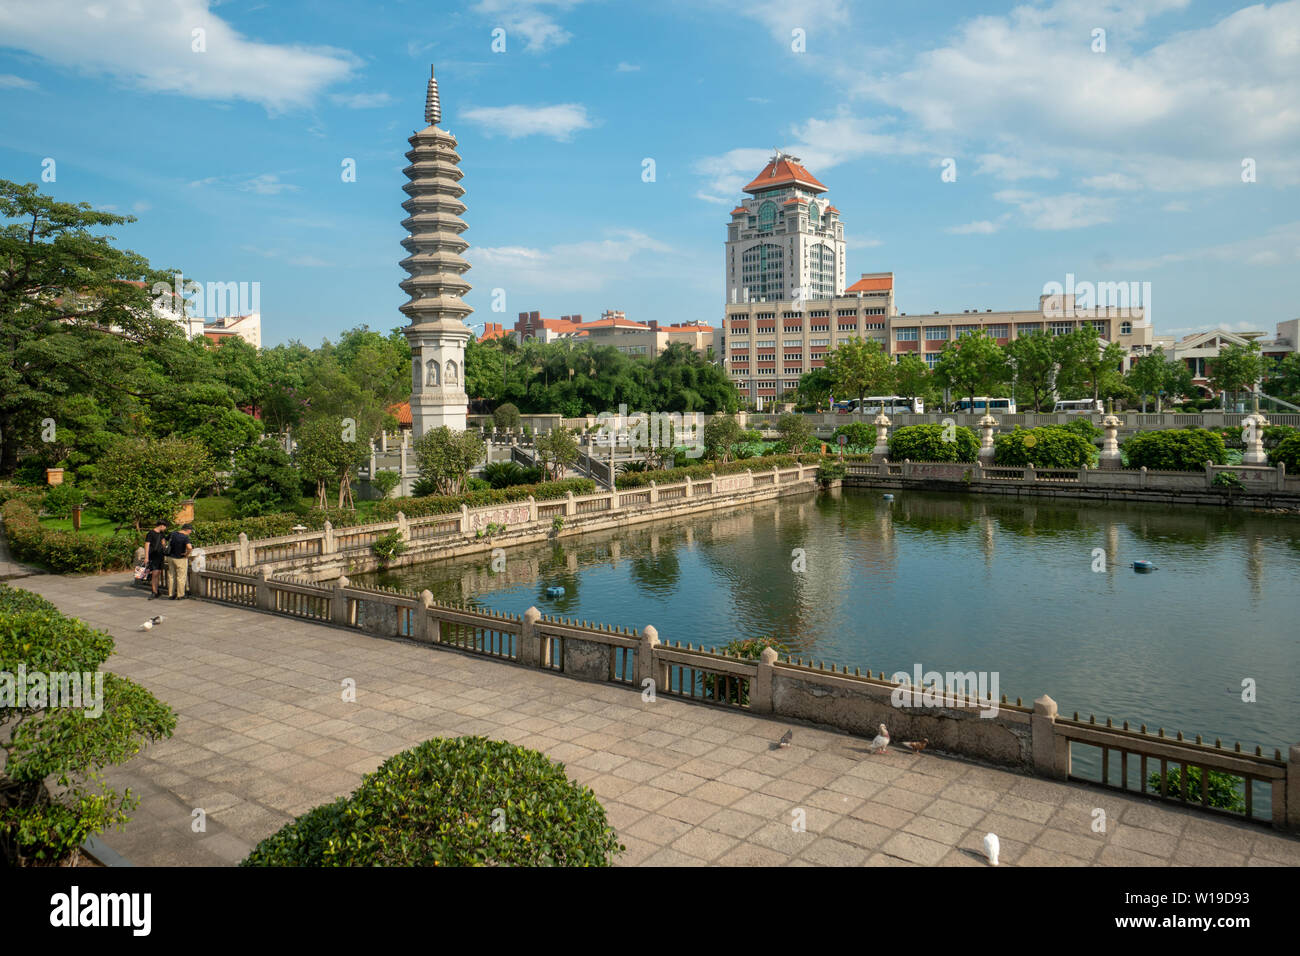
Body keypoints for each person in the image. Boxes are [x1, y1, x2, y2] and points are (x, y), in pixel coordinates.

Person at [165, 522, 194, 600]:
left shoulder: (172, 534)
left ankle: (171, 594)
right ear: (188, 530)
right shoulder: (185, 537)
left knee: (171, 576)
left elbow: (164, 540)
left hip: (170, 558)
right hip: (180, 558)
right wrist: (186, 554)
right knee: (181, 577)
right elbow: (190, 547)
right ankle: (180, 595)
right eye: (191, 530)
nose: (190, 532)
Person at [143, 520, 168, 600]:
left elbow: (163, 543)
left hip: (160, 556)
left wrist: (164, 544)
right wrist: (146, 557)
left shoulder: (162, 534)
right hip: (153, 556)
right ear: (161, 525)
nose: (165, 528)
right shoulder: (151, 533)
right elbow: (147, 545)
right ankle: (154, 592)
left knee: (158, 573)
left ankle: (156, 591)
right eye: (165, 526)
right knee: (155, 573)